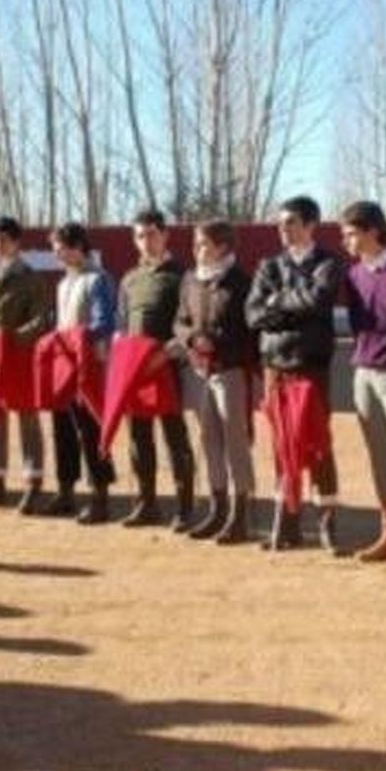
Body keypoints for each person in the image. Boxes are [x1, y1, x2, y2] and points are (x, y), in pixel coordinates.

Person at [246, 195, 342, 552]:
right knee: (281, 445)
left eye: (291, 224)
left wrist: (277, 302)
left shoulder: (328, 262)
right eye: (281, 224)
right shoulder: (269, 266)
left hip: (310, 367)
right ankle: (287, 523)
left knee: (317, 443)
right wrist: (288, 305)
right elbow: (253, 315)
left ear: (310, 225)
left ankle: (328, 524)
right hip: (275, 368)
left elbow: (316, 301)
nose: (283, 230)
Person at [171, 219, 257, 544]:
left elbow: (249, 332)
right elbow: (179, 321)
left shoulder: (240, 283)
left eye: (203, 244)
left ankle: (240, 515)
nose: (196, 250)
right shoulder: (191, 279)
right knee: (208, 439)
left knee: (235, 442)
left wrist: (216, 344)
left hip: (231, 369)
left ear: (222, 246)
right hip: (200, 369)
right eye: (195, 244)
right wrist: (193, 339)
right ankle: (217, 508)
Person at [340, 201, 386, 563]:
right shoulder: (353, 274)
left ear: (372, 231)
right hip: (364, 371)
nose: (346, 241)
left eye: (352, 233)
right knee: (380, 454)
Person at [116, 208, 197, 530]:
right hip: (135, 368)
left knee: (175, 435)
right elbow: (122, 322)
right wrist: (122, 347)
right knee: (138, 436)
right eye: (139, 236)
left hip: (167, 366)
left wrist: (166, 354)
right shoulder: (130, 278)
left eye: (151, 234)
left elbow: (187, 324)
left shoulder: (182, 275)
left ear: (165, 235)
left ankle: (185, 507)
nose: (145, 241)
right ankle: (146, 503)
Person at [0, 216, 53, 512]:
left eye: (3, 240)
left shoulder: (31, 279)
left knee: (28, 419)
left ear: (17, 243)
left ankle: (33, 485)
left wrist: (13, 338)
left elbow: (41, 320)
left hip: (21, 357)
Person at [48, 222, 117, 522]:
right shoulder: (63, 283)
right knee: (62, 427)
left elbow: (104, 323)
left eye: (60, 249)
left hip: (91, 365)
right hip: (65, 364)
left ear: (77, 247)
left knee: (90, 429)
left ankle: (100, 496)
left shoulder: (98, 279)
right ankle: (66, 492)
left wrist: (73, 337)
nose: (57, 255)